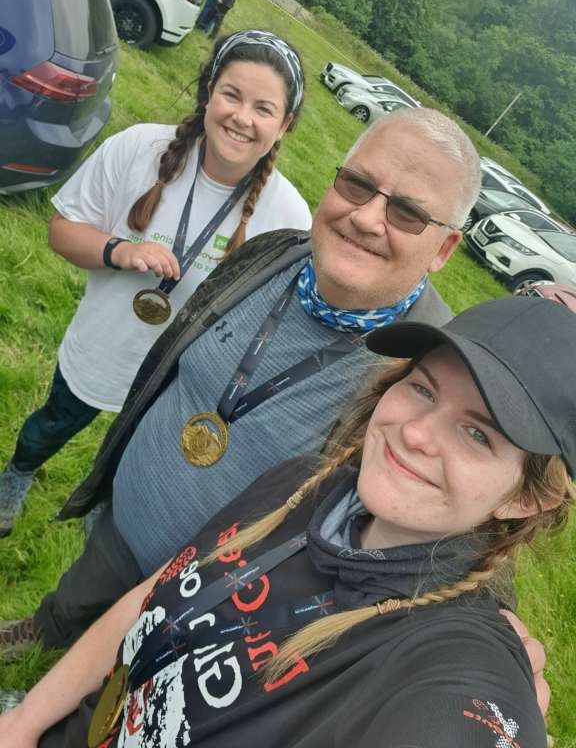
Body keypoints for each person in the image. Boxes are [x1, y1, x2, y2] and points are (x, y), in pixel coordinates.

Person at [1, 106, 481, 653]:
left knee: (119, 700)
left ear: (444, 248)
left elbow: (447, 538)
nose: (368, 218)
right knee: (75, 600)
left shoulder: (429, 374)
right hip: (123, 518)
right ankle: (46, 630)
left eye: (408, 213)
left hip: (210, 609)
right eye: (358, 184)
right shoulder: (269, 254)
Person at [0, 296, 573, 747]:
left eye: (479, 433)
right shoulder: (303, 485)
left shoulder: (454, 659)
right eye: (423, 388)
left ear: (527, 500)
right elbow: (154, 596)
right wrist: (25, 722)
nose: (417, 433)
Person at [0, 30, 310, 537]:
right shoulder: (140, 147)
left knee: (133, 461)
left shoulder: (289, 217)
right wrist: (121, 251)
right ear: (209, 90)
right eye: (231, 94)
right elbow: (61, 230)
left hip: (183, 383)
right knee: (52, 424)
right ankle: (18, 473)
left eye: (263, 108)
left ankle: (105, 518)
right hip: (105, 346)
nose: (241, 118)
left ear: (284, 125)